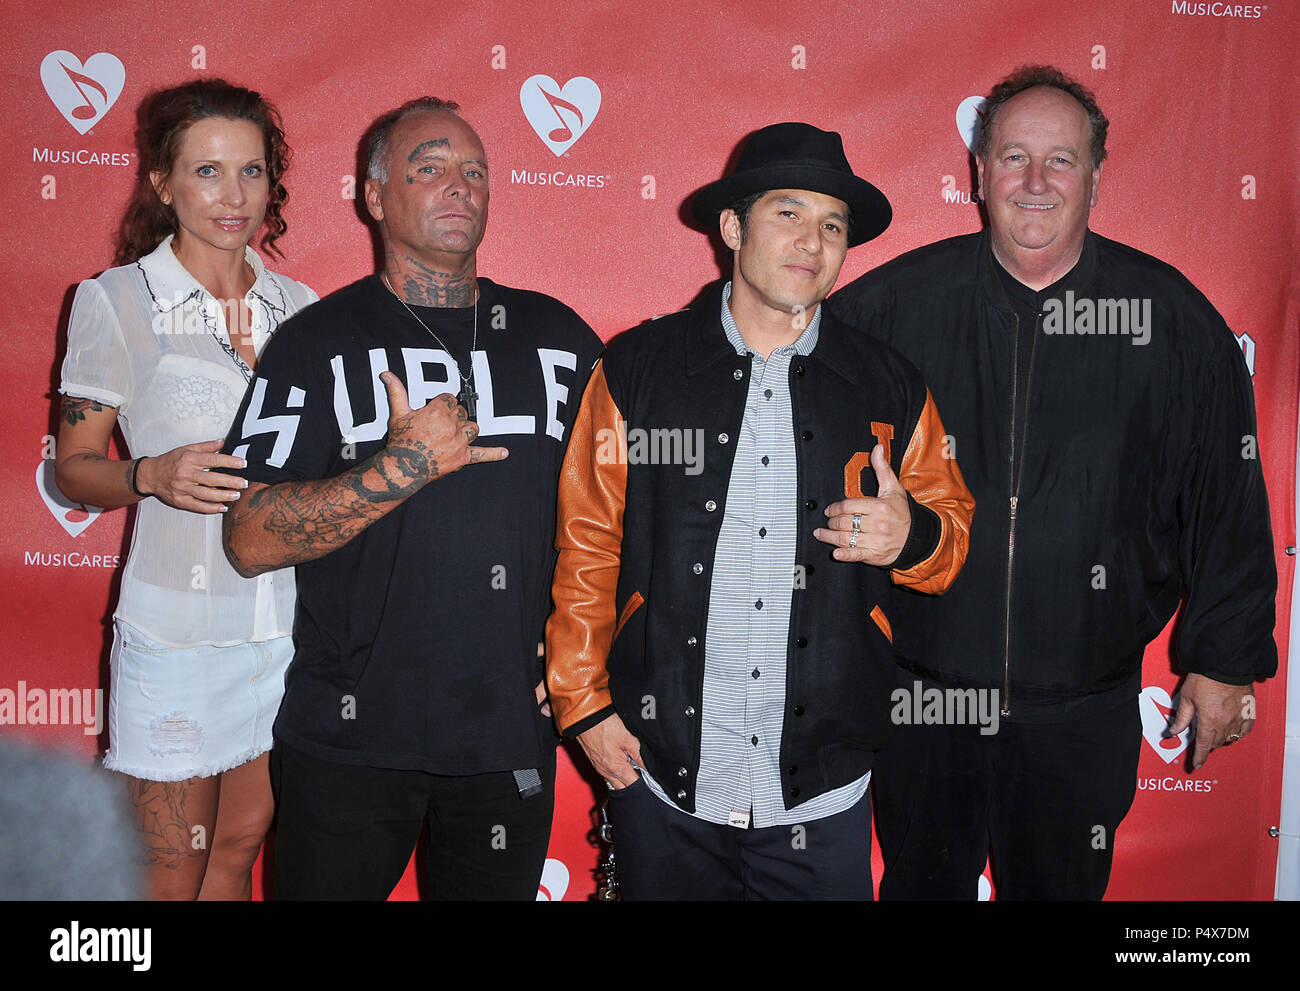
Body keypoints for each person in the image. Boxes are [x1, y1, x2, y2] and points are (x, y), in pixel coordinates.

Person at [828, 64, 1278, 900]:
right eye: (1013, 158)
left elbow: (1227, 500)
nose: (1035, 183)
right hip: (926, 699)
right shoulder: (890, 311)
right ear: (977, 173)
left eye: (1061, 160)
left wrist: (1223, 661)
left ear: (1097, 176)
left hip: (1083, 707)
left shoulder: (1171, 322)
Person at [545, 122, 975, 899]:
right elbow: (587, 544)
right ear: (733, 227)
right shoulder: (638, 369)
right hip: (664, 778)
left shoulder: (890, 383)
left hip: (824, 793)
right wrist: (583, 703)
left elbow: (952, 538)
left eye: (833, 224)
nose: (813, 240)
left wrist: (914, 537)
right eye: (789, 213)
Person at [221, 97, 603, 900]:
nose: (458, 187)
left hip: (507, 735)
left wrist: (591, 654)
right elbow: (249, 537)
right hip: (349, 740)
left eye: (475, 172)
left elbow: (626, 519)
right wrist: (398, 468)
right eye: (429, 168)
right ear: (374, 194)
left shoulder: (561, 340)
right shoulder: (317, 342)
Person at [55, 79, 317, 900]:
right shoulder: (115, 300)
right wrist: (149, 475)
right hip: (175, 636)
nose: (232, 196)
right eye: (206, 172)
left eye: (250, 171)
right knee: (169, 870)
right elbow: (73, 466)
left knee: (239, 846)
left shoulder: (300, 307)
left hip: (283, 628)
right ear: (163, 183)